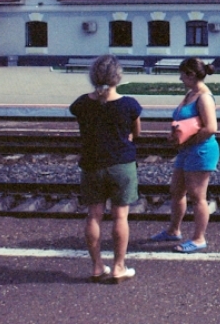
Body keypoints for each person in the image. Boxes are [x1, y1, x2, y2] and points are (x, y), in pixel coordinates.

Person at [69, 54, 142, 284]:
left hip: (92, 165)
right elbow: (136, 133)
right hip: (121, 165)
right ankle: (119, 267)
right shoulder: (129, 104)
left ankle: (97, 267)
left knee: (94, 216)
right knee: (120, 216)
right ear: (117, 77)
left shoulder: (81, 104)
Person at [150, 57, 219, 253]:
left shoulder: (204, 97)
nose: (180, 78)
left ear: (190, 74)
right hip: (187, 149)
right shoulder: (191, 93)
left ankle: (198, 238)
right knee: (177, 191)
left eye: (182, 74)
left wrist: (187, 141)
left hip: (201, 150)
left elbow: (211, 127)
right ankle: (173, 230)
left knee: (198, 197)